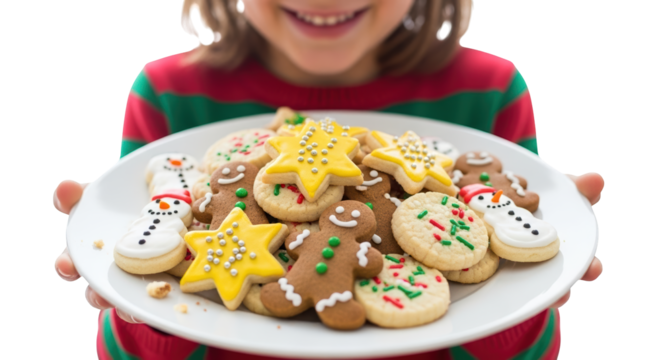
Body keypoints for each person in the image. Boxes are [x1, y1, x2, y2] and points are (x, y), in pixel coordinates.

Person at [53, 0, 604, 358]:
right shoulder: (168, 95)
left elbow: (508, 310)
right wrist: (141, 314)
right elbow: (154, 302)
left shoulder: (491, 91)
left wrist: (535, 297)